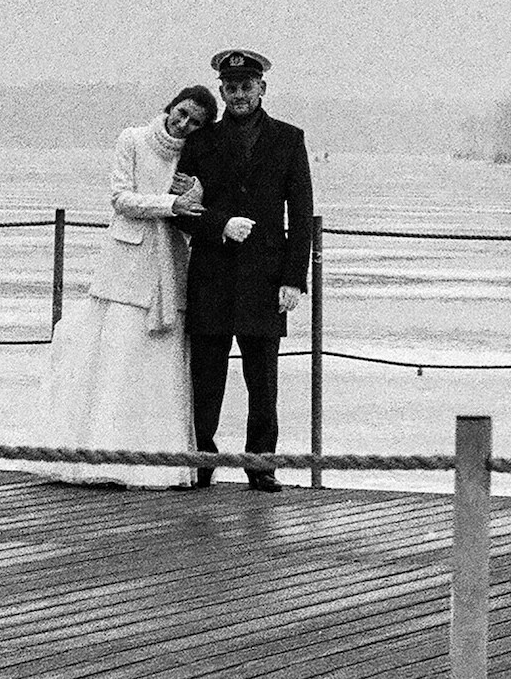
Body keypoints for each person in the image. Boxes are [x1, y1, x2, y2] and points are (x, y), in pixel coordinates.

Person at [33, 86, 216, 486]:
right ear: (170, 107)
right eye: (181, 113)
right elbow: (121, 198)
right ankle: (104, 459)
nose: (182, 124)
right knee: (117, 359)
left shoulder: (194, 157)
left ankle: (152, 465)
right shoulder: (132, 138)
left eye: (194, 122)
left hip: (169, 265)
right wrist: (169, 205)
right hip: (126, 266)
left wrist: (194, 195)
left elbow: (199, 204)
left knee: (158, 364)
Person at [177, 49, 315, 491]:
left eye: (246, 87)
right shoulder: (198, 142)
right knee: (206, 380)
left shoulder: (290, 140)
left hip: (265, 280)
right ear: (221, 90)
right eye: (231, 88)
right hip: (212, 277)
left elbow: (303, 212)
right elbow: (180, 212)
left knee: (263, 381)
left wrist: (294, 279)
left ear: (262, 89)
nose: (239, 95)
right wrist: (220, 225)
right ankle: (201, 461)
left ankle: (261, 465)